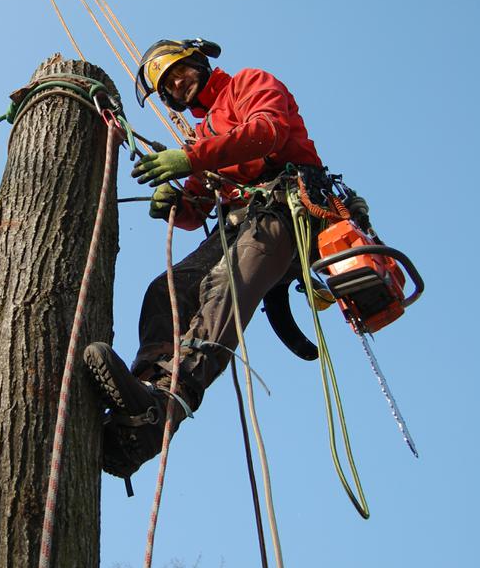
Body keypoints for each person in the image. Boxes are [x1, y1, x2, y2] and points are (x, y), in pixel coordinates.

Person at [83, 38, 325, 480]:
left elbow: (267, 131)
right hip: (237, 222)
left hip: (285, 208)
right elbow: (197, 208)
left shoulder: (248, 83)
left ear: (197, 60)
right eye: (167, 87)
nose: (177, 84)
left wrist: (190, 158)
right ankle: (142, 394)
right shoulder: (202, 133)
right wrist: (174, 203)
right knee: (167, 289)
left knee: (223, 287)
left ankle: (170, 402)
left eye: (178, 71)